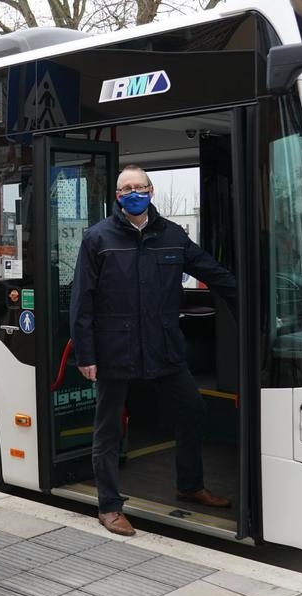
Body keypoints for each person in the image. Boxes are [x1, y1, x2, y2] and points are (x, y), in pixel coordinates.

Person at [70, 165, 237, 537]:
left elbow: (212, 272)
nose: (133, 192)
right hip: (115, 350)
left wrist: (255, 300)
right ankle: (109, 507)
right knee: (108, 430)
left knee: (194, 410)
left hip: (163, 347)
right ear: (117, 197)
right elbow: (82, 302)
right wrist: (86, 355)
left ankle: (189, 485)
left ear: (151, 190)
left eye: (139, 186)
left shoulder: (173, 235)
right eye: (125, 188)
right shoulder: (97, 239)